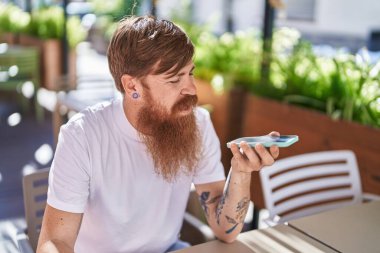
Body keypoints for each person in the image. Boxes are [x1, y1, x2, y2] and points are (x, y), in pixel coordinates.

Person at [37, 16, 280, 253]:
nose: (192, 89)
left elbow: (227, 231)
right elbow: (54, 242)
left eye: (190, 73)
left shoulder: (198, 124)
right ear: (132, 86)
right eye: (175, 80)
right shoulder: (82, 136)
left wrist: (241, 171)